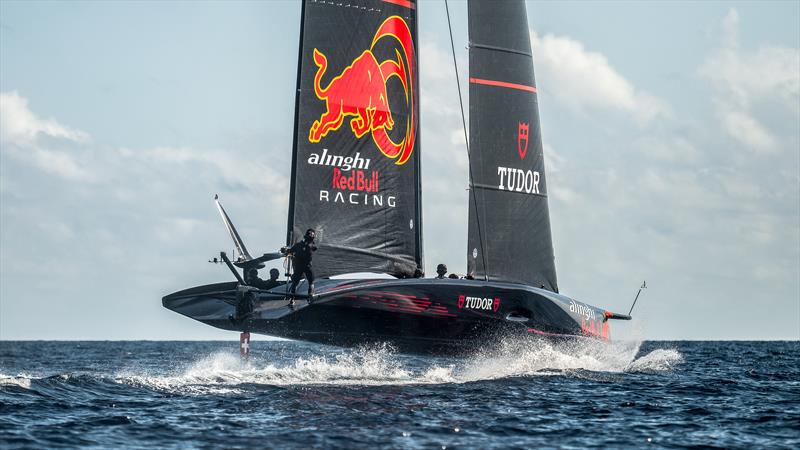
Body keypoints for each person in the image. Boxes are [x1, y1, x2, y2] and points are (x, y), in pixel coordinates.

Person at [281, 228, 318, 300]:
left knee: (295, 283)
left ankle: (292, 299)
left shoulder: (298, 245)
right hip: (307, 266)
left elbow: (289, 251)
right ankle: (310, 297)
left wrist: (285, 250)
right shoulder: (311, 245)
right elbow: (314, 247)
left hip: (299, 267)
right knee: (311, 282)